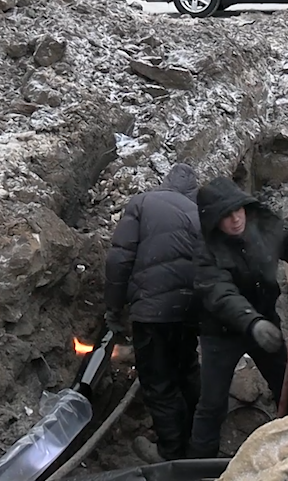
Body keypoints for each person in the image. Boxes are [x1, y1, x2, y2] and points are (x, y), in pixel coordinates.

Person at [186, 176, 288, 459]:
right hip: (221, 333)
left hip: (265, 320)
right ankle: (199, 463)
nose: (235, 220)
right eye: (226, 216)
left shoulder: (261, 224)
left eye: (237, 211)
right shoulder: (205, 251)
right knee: (212, 403)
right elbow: (220, 294)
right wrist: (250, 322)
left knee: (285, 384)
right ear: (213, 220)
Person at [103, 163, 203, 463]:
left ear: (165, 184)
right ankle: (195, 438)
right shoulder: (200, 215)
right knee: (186, 368)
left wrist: (114, 307)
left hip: (152, 311)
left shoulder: (142, 202)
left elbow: (120, 258)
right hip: (189, 311)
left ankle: (170, 454)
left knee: (159, 382)